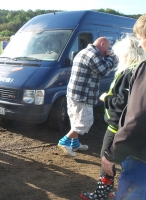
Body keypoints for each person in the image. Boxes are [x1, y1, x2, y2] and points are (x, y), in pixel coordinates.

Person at [80, 36, 146, 200]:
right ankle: (117, 192)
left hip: (118, 127)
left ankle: (101, 195)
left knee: (107, 160)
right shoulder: (136, 70)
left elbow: (122, 103)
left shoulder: (128, 73)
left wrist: (106, 99)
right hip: (123, 128)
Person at [101, 14, 146, 200]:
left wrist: (113, 154)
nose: (141, 44)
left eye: (142, 38)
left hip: (140, 158)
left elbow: (136, 118)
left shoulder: (139, 70)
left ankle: (103, 192)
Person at [58, 37, 117, 157]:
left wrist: (105, 57)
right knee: (85, 121)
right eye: (108, 47)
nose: (108, 50)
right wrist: (110, 58)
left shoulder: (85, 52)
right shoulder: (92, 54)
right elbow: (104, 71)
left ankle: (75, 144)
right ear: (102, 44)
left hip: (75, 93)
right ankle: (64, 141)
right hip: (82, 95)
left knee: (75, 120)